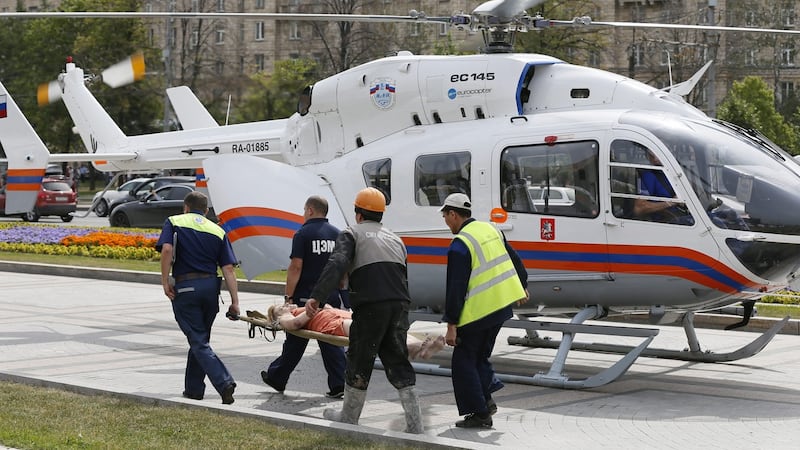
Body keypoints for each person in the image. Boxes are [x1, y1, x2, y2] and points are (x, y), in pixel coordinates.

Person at [304, 187, 424, 434]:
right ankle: (415, 424)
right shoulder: (395, 239)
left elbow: (337, 264)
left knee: (359, 357)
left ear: (358, 214)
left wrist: (316, 297)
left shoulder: (351, 233)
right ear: (381, 215)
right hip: (399, 305)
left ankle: (349, 417)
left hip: (371, 306)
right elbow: (403, 277)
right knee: (397, 360)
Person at [439, 193, 529, 428]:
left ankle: (479, 413)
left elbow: (455, 289)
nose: (446, 223)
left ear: (453, 214)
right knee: (478, 357)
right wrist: (522, 285)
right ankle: (486, 400)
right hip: (500, 308)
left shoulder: (460, 245)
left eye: (446, 218)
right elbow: (515, 259)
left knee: (463, 362)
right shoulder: (491, 230)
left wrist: (451, 325)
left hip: (478, 312)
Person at [156, 191, 239, 405]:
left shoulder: (174, 221)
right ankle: (194, 390)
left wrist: (165, 281)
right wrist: (235, 302)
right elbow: (228, 269)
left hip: (186, 288)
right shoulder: (217, 230)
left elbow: (166, 249)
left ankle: (224, 382)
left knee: (198, 340)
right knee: (200, 339)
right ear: (205, 211)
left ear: (185, 207)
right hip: (211, 289)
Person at [261, 196, 347, 399]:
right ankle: (339, 383)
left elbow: (296, 266)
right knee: (330, 339)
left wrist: (288, 297)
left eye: (303, 210)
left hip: (306, 297)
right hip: (330, 295)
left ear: (310, 210)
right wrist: (341, 286)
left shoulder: (302, 234)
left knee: (295, 339)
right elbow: (343, 266)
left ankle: (277, 376)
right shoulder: (338, 235)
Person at [267, 303, 446, 360]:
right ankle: (417, 348)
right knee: (378, 331)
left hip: (342, 317)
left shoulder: (297, 310)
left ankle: (419, 347)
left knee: (389, 329)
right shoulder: (285, 318)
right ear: (277, 315)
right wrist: (310, 311)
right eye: (281, 307)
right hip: (335, 324)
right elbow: (295, 325)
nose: (285, 305)